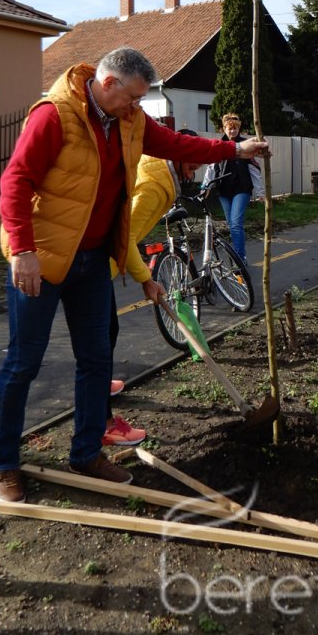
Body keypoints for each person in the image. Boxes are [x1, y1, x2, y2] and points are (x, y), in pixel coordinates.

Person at [0, 48, 269, 504]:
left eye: (141, 100)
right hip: (41, 258)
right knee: (24, 363)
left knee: (97, 361)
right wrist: (21, 249)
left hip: (94, 261)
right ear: (108, 82)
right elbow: (15, 181)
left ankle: (86, 454)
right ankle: (2, 465)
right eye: (133, 97)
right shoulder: (54, 116)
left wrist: (234, 148)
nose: (137, 106)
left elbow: (179, 145)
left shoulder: (131, 120)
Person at [104, 130, 224, 446]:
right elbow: (124, 234)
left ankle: (101, 387)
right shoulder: (156, 187)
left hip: (98, 258)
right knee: (100, 338)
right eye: (193, 164)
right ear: (178, 153)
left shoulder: (155, 166)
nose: (194, 171)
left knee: (105, 331)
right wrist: (146, 278)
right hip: (98, 263)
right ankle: (103, 420)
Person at [202, 113, 264, 264]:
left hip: (241, 189)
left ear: (239, 129)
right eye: (229, 129)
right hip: (224, 190)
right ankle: (237, 254)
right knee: (231, 224)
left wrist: (260, 192)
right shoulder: (219, 145)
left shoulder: (245, 145)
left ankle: (240, 258)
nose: (232, 132)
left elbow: (254, 170)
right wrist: (205, 186)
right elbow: (211, 167)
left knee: (236, 223)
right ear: (224, 128)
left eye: (235, 128)